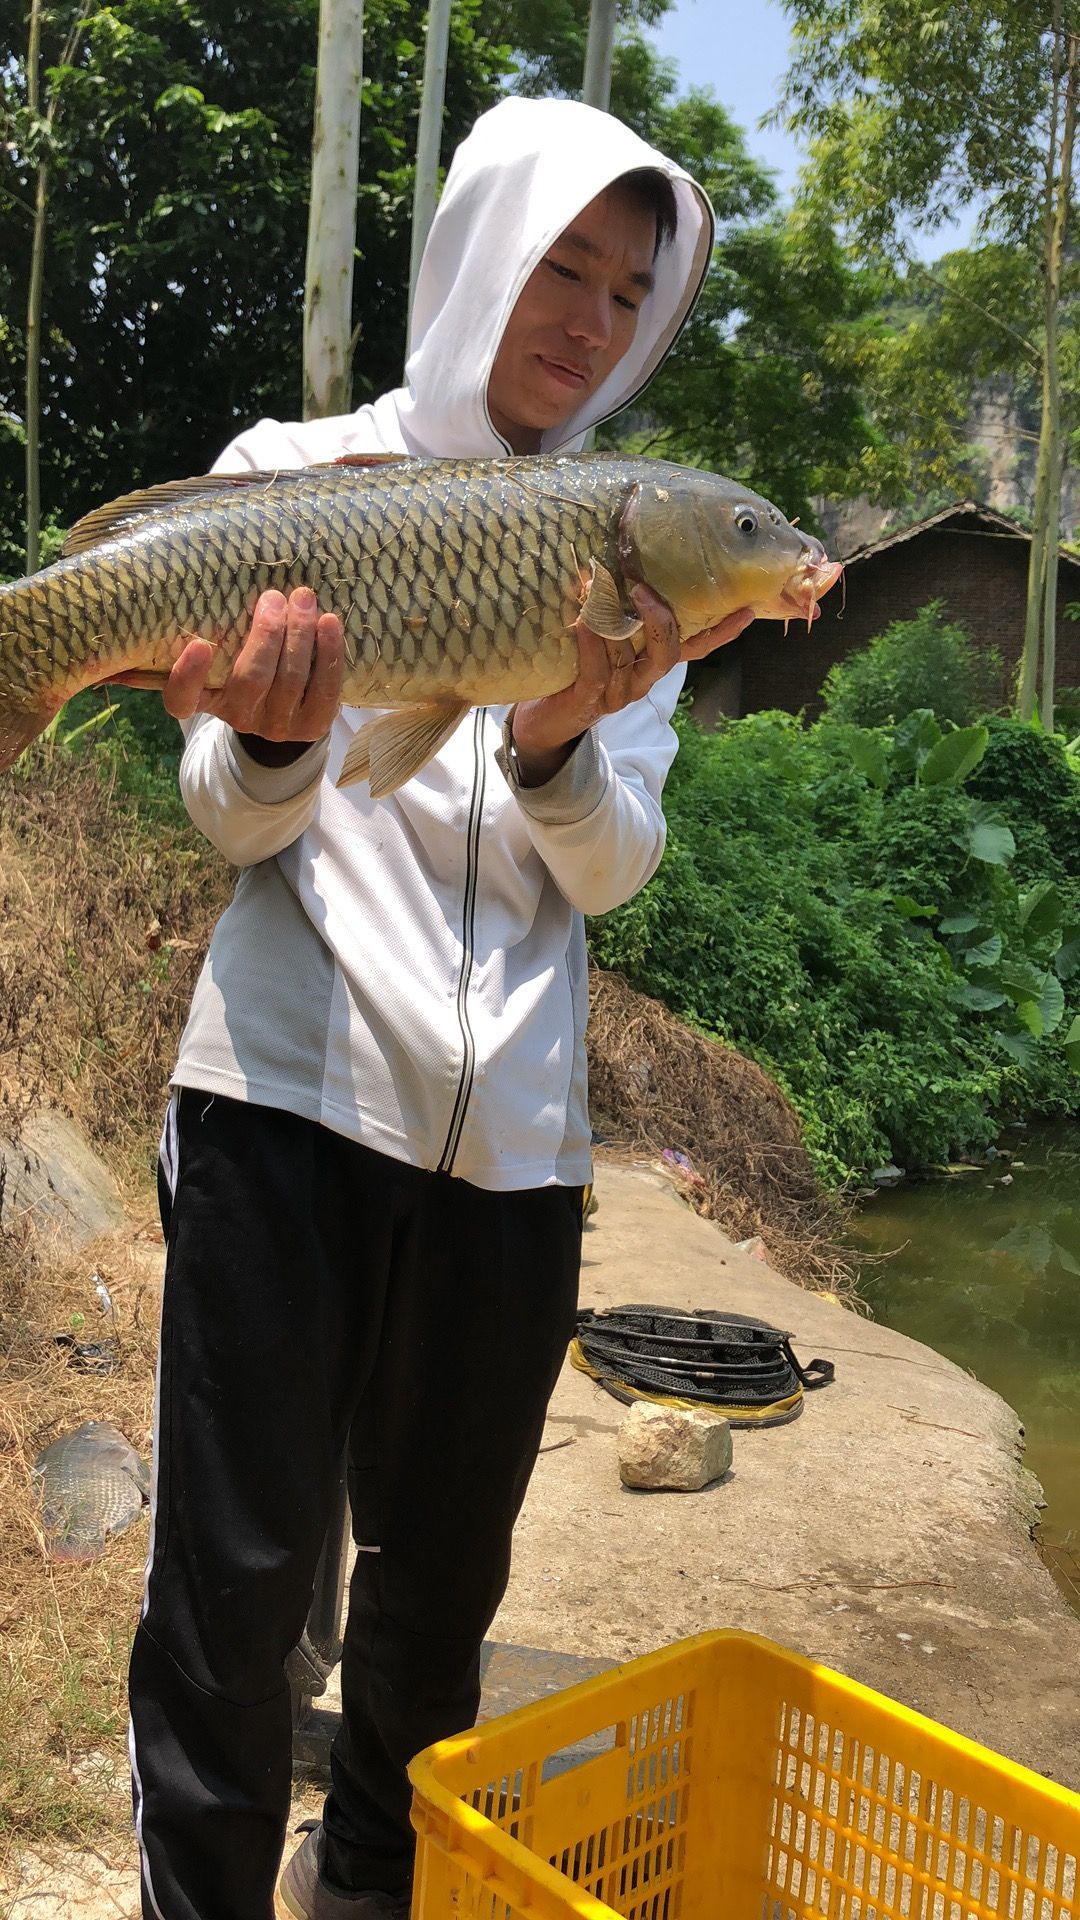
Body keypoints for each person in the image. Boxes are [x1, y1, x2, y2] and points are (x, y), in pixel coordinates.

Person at [126, 94, 753, 1920]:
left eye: (629, 290)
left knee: (439, 1603)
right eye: (561, 262)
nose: (588, 315)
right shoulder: (292, 471)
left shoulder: (631, 550)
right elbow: (230, 823)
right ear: (485, 247)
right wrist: (267, 732)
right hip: (287, 1112)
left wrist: (559, 735)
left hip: (516, 1161)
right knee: (238, 1590)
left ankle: (380, 1893)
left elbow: (615, 863)